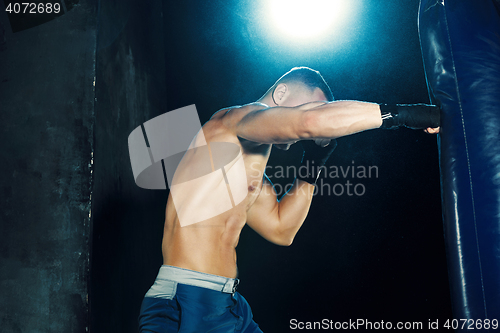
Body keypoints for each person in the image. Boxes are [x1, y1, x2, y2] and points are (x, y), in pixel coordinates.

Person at [138, 67, 440, 332]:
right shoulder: (230, 122)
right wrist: (402, 115)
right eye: (313, 107)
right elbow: (307, 122)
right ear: (281, 93)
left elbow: (282, 229)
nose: (318, 122)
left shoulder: (247, 167)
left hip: (229, 305)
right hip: (187, 301)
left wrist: (313, 166)